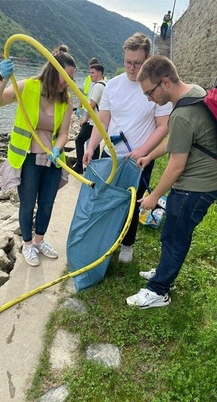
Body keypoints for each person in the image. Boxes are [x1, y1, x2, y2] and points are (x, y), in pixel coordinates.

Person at [126, 55, 217, 308]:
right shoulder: (194, 92)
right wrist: (148, 155)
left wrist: (153, 196)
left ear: (165, 82)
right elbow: (179, 138)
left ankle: (159, 291)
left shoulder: (182, 113)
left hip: (196, 186)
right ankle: (165, 272)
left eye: (149, 92)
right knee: (171, 233)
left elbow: (177, 165)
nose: (149, 99)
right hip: (204, 179)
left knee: (176, 235)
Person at [83, 32, 172, 264]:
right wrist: (91, 146)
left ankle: (127, 244)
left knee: (134, 202)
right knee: (106, 199)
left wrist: (143, 150)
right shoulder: (113, 85)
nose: (132, 68)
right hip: (112, 156)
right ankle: (106, 240)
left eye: (138, 63)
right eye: (128, 62)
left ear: (147, 59)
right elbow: (102, 120)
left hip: (140, 158)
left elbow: (163, 127)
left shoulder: (156, 89)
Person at [0, 45, 76, 267]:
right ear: (53, 71)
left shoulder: (66, 100)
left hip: (52, 160)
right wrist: (2, 77)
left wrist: (58, 148)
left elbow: (64, 133)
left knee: (46, 204)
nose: (68, 82)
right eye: (66, 77)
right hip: (28, 159)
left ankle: (39, 241)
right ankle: (27, 245)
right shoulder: (27, 87)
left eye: (71, 78)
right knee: (27, 205)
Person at [72, 63, 106, 174]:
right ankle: (93, 169)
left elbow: (91, 106)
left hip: (93, 122)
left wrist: (85, 119)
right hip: (100, 122)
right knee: (95, 146)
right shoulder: (106, 84)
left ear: (99, 73)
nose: (90, 75)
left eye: (92, 73)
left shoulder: (97, 86)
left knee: (79, 140)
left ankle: (79, 166)